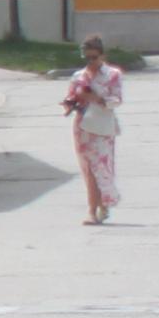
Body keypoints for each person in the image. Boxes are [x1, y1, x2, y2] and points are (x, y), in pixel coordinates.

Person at [63, 37, 122, 224]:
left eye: (93, 57)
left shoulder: (112, 74)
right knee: (88, 168)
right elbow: (70, 97)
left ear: (101, 55)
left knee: (102, 168)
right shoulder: (78, 76)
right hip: (83, 126)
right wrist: (70, 103)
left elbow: (117, 100)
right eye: (86, 57)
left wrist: (96, 98)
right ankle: (92, 210)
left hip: (103, 126)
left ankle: (103, 204)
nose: (90, 61)